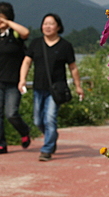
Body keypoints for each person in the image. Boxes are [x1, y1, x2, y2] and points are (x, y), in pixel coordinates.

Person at [18, 13, 84, 162]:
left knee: (49, 119)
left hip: (56, 89)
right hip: (38, 87)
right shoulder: (36, 43)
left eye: (51, 24)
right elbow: (27, 62)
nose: (47, 26)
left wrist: (78, 86)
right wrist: (22, 80)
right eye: (45, 23)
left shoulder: (65, 46)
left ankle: (46, 149)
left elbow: (73, 68)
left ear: (58, 27)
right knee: (37, 121)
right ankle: (51, 136)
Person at [0, 2, 31, 155]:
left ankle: (24, 131)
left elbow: (26, 33)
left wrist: (8, 23)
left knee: (11, 113)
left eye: (0, 17)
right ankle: (0, 144)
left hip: (14, 82)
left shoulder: (15, 34)